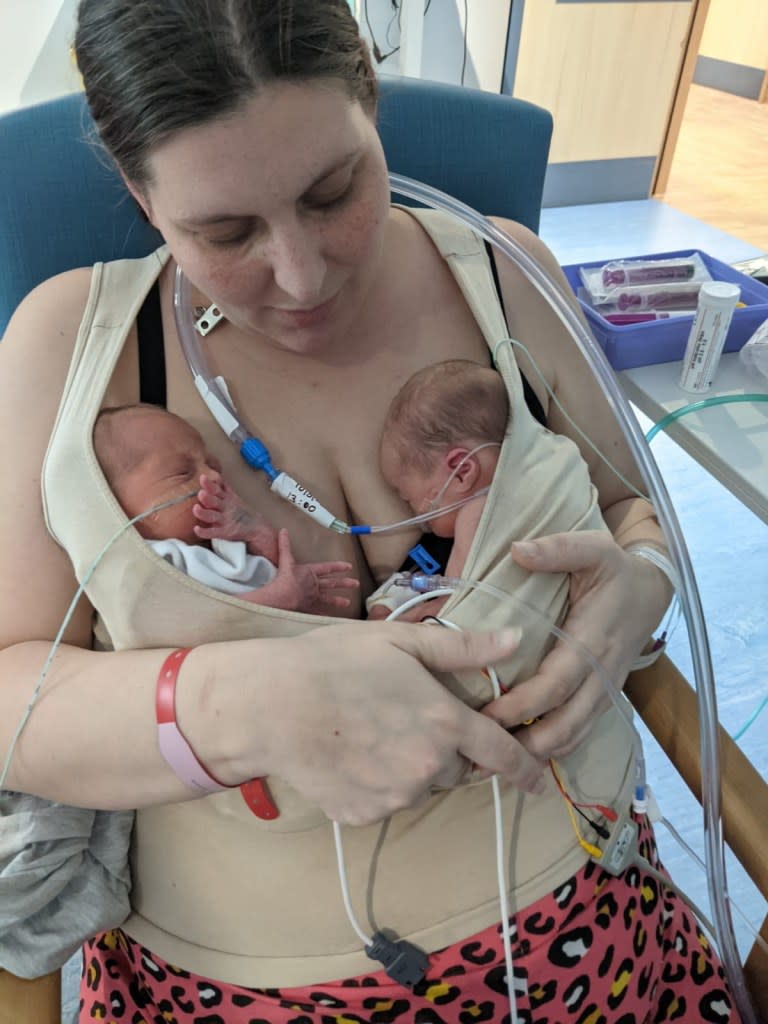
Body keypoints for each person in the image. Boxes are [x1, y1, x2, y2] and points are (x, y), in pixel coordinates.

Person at [0, 2, 739, 1021]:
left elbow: (634, 515)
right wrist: (241, 705)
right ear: (137, 191)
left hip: (596, 931)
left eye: (334, 189)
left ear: (370, 100)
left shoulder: (504, 273)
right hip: (252, 988)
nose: (301, 277)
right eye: (224, 233)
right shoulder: (66, 346)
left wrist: (639, 589)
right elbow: (10, 692)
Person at [93, 403, 359, 613]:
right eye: (183, 473)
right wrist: (276, 599)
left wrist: (258, 535)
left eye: (212, 465)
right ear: (113, 503)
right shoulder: (140, 567)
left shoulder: (218, 549)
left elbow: (265, 573)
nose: (214, 477)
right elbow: (189, 625)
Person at [367, 358, 511, 621]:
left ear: (461, 472)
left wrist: (395, 622)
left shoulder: (475, 515)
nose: (418, 517)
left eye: (409, 499)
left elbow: (455, 606)